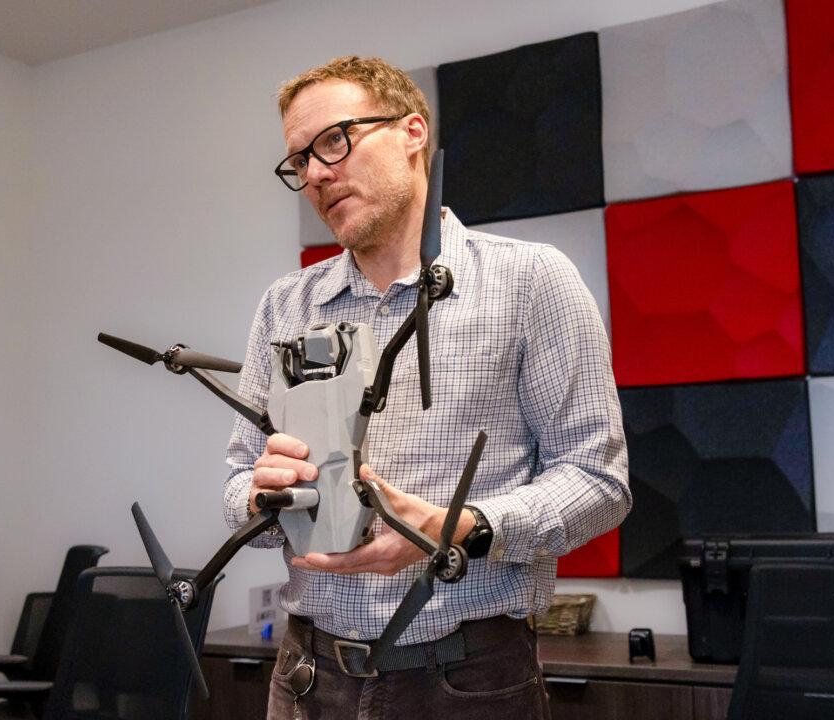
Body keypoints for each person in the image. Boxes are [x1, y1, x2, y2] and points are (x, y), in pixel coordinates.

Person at [223, 56, 630, 719]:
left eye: (334, 140)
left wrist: (459, 528)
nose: (317, 174)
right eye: (300, 161)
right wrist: (263, 497)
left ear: (413, 131)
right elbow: (237, 482)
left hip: (467, 682)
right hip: (305, 680)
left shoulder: (531, 282)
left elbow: (598, 481)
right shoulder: (285, 307)